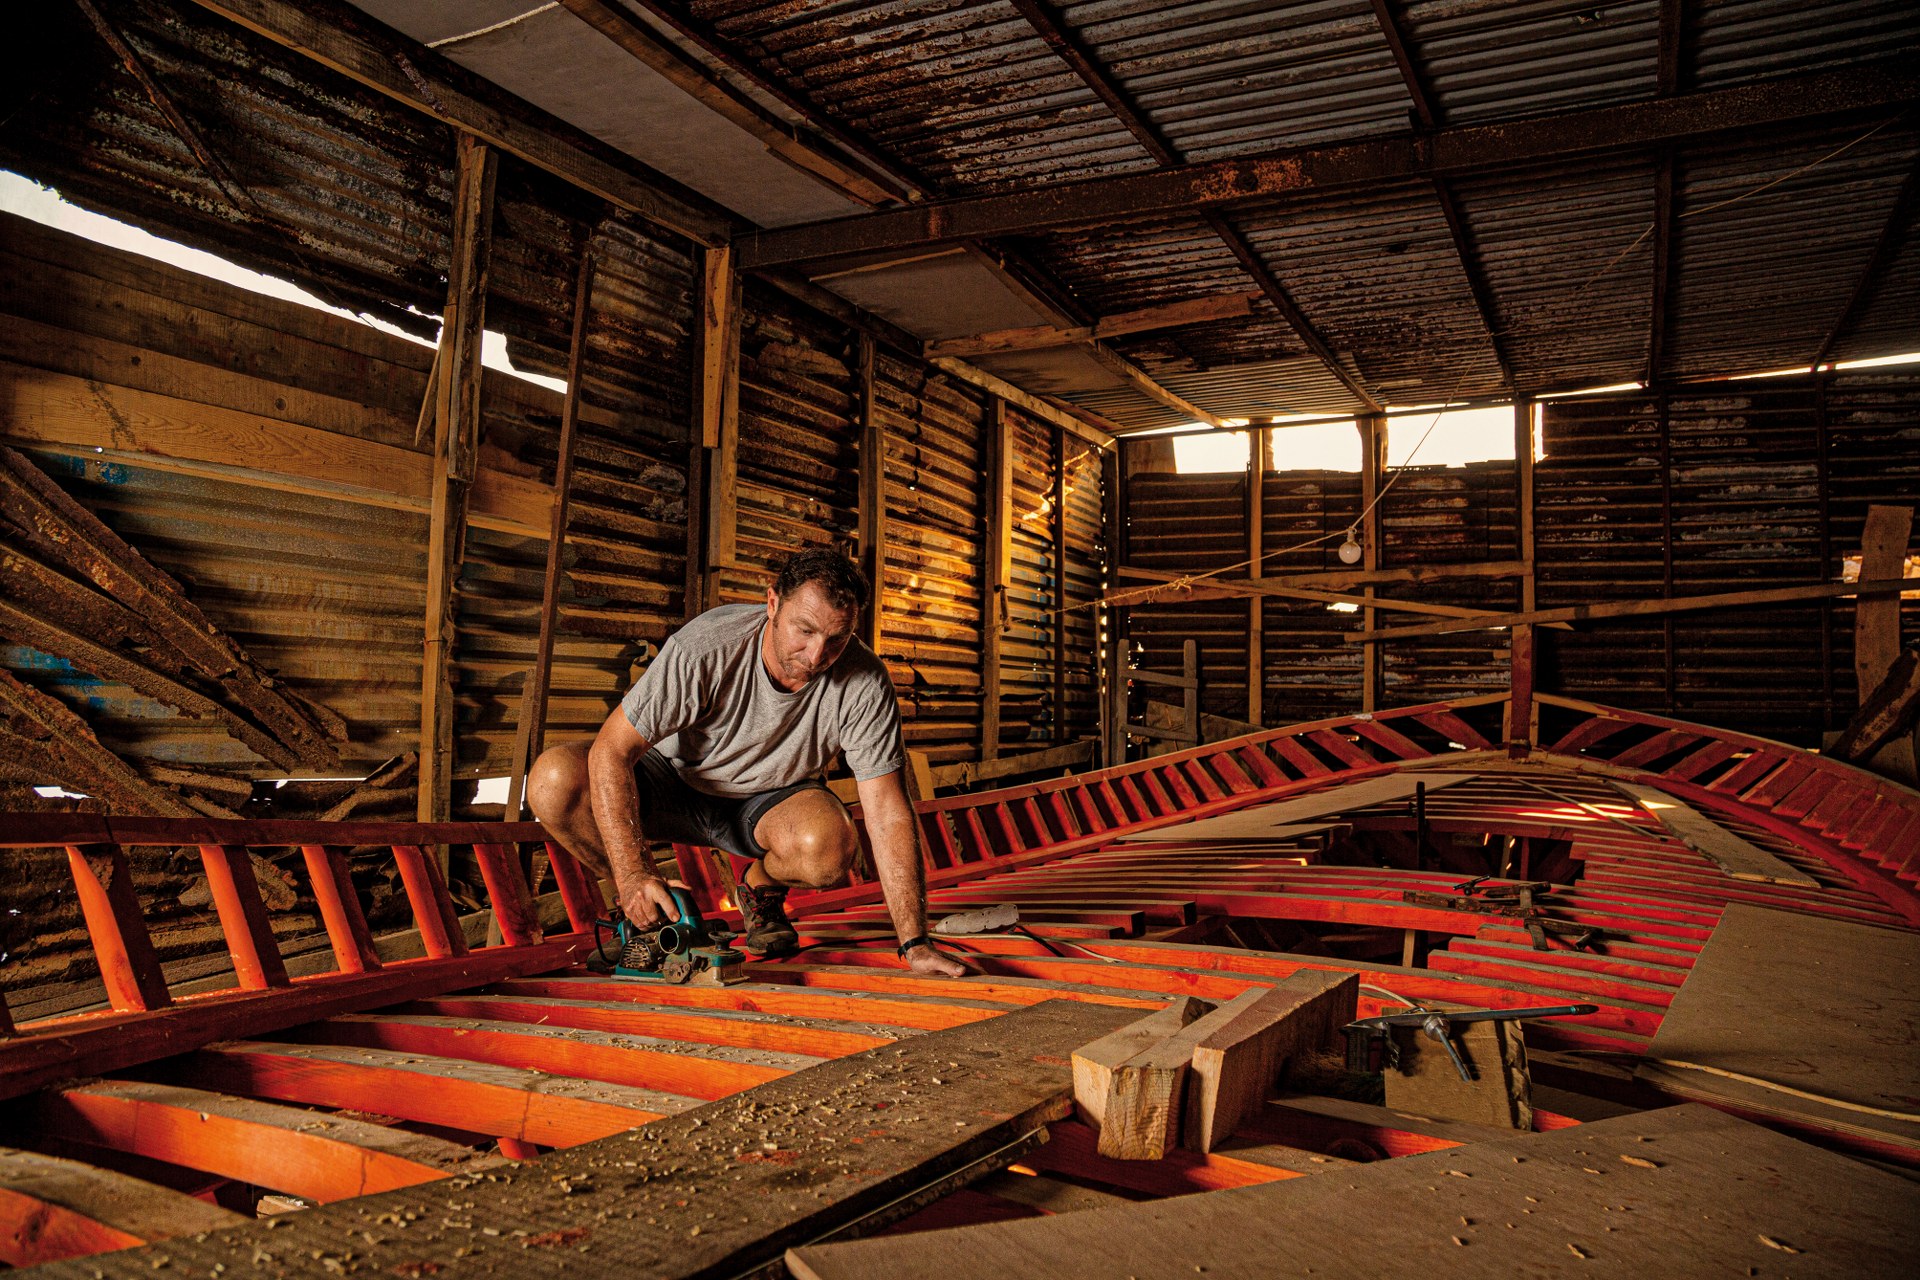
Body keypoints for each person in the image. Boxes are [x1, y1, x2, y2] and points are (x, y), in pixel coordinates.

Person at [527, 548, 968, 978]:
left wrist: (914, 942)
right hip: (672, 782)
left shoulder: (864, 681)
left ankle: (760, 889)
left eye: (836, 639)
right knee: (553, 779)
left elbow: (888, 811)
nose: (816, 655)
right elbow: (611, 750)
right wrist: (632, 875)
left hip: (768, 801)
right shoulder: (705, 647)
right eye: (805, 630)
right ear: (772, 603)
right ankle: (645, 913)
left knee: (830, 847)